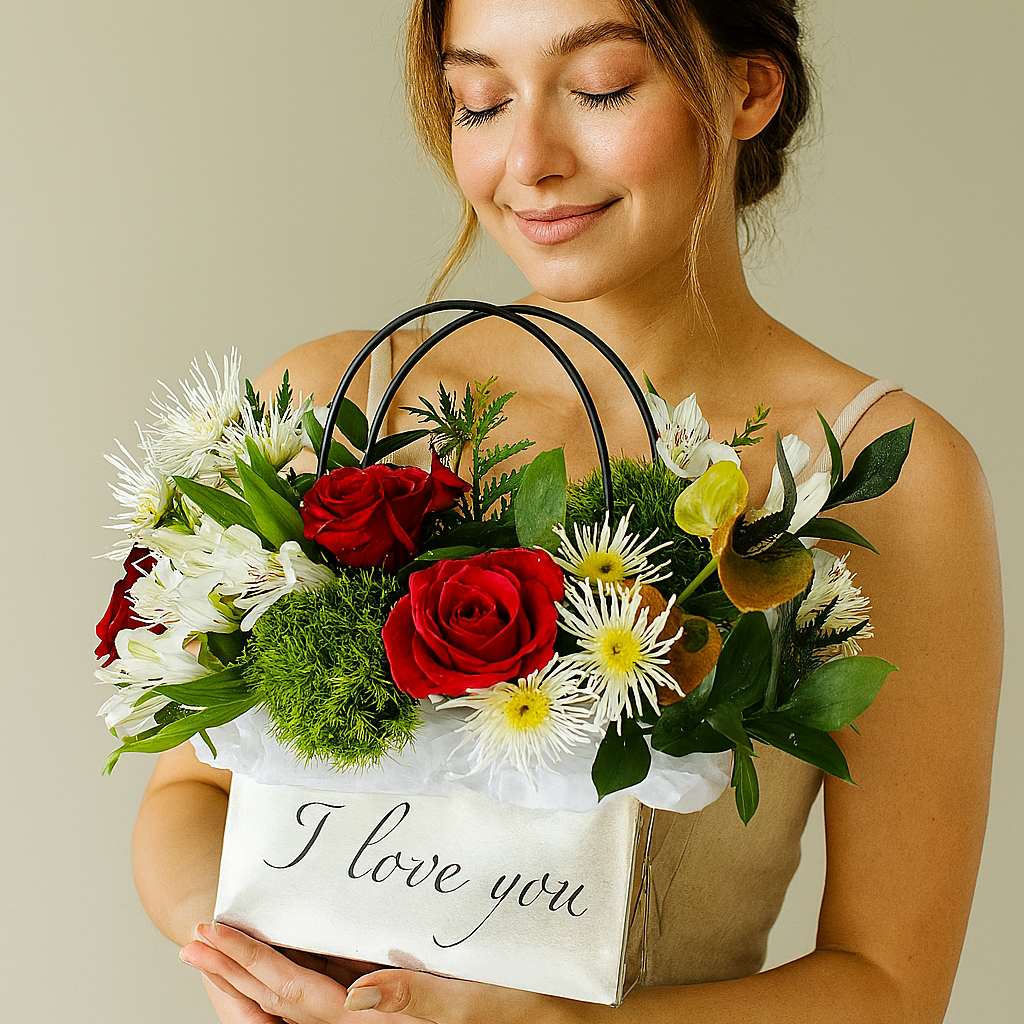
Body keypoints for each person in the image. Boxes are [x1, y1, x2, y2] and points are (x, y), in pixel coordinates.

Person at [132, 0, 1003, 1021]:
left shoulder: (877, 470)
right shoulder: (335, 406)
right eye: (481, 100)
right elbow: (185, 796)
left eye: (600, 88)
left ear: (747, 89)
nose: (529, 158)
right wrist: (258, 960)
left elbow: (888, 985)